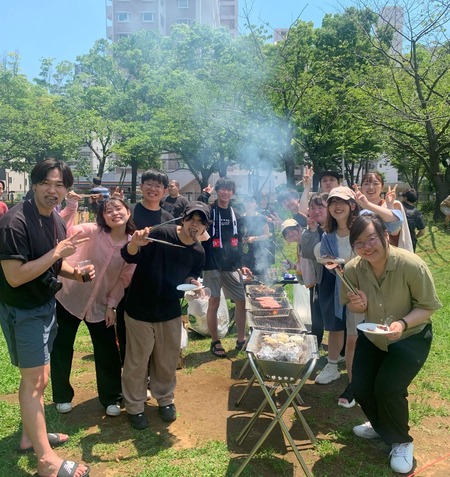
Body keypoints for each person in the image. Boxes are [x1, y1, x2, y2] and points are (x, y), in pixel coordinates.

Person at [0, 159, 91, 477]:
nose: (54, 191)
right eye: (47, 183)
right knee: (34, 383)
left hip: (44, 307)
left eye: (60, 185)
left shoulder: (52, 217)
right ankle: (46, 461)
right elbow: (15, 276)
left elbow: (52, 263)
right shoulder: (15, 223)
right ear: (34, 184)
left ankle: (30, 436)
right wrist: (57, 254)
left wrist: (76, 274)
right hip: (24, 311)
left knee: (40, 377)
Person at [341, 213, 441, 474]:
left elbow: (427, 307)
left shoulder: (411, 265)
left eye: (371, 238)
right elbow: (349, 303)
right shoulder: (353, 269)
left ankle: (401, 441)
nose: (366, 247)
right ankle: (381, 426)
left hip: (411, 336)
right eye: (359, 242)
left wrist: (402, 324)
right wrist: (356, 304)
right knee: (361, 387)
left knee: (388, 388)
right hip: (374, 336)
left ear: (385, 236)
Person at [120, 201, 209, 430]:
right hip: (140, 307)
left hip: (169, 311)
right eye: (191, 219)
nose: (195, 225)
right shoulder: (161, 233)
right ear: (183, 219)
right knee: (137, 361)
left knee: (167, 360)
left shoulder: (198, 251)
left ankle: (165, 399)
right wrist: (134, 244)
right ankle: (135, 406)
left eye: (200, 222)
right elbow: (129, 256)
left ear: (204, 228)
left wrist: (193, 283)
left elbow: (191, 275)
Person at [51, 195, 136, 417]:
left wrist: (111, 305)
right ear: (102, 217)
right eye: (109, 211)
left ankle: (111, 398)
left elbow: (124, 279)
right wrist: (71, 207)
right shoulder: (91, 232)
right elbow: (62, 231)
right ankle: (61, 396)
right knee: (61, 347)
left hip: (101, 305)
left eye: (119, 208)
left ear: (128, 212)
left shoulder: (132, 245)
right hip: (69, 297)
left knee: (107, 350)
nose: (115, 213)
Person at [116, 169, 173, 363]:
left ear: (165, 191)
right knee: (128, 330)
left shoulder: (168, 217)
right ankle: (130, 374)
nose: (153, 189)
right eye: (149, 183)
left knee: (155, 332)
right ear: (141, 187)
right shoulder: (129, 213)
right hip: (130, 282)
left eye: (158, 185)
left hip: (158, 283)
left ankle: (150, 374)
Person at [198, 177, 252, 357]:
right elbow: (195, 213)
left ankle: (241, 339)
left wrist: (242, 265)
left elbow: (238, 244)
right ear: (217, 191)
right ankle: (215, 341)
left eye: (229, 190)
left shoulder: (236, 214)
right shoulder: (209, 211)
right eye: (222, 189)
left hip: (230, 265)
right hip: (211, 263)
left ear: (233, 193)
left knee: (241, 300)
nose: (226, 193)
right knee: (214, 301)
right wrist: (203, 196)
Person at [358, 171, 413, 251]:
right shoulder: (357, 207)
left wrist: (390, 206)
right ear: (361, 188)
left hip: (389, 255)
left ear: (382, 187)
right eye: (366, 184)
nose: (370, 187)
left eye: (375, 183)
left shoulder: (394, 204)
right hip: (365, 253)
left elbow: (395, 232)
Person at [241, 195, 272, 277]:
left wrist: (255, 238)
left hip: (259, 251)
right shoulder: (240, 218)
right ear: (244, 204)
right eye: (247, 202)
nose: (249, 204)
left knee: (259, 275)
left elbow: (266, 235)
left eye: (251, 202)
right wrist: (241, 239)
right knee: (245, 276)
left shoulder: (261, 218)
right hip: (244, 252)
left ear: (256, 205)